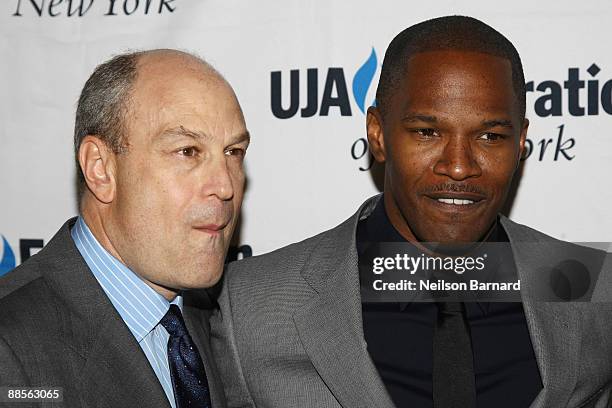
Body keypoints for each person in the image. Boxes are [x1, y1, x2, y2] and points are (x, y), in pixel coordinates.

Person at [210, 16, 612, 408]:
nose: (458, 165)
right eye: (427, 132)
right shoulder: (251, 305)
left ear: (521, 141)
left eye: (491, 136)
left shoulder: (593, 291)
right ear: (378, 134)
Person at [0, 49, 250, 408]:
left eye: (233, 152)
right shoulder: (10, 350)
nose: (225, 186)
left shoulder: (234, 326)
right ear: (101, 169)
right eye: (188, 151)